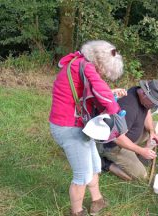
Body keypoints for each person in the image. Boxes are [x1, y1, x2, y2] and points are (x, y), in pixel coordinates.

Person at [49, 40, 124, 216]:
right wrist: (116, 112)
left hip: (77, 124)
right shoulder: (85, 66)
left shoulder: (77, 62)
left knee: (95, 164)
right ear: (98, 62)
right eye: (104, 71)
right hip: (69, 127)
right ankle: (77, 211)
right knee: (82, 175)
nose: (103, 74)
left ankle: (97, 200)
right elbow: (100, 90)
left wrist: (111, 93)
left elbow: (89, 90)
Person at [99, 80, 158, 181]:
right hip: (115, 146)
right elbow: (117, 138)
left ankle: (141, 156)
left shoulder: (140, 93)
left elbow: (147, 111)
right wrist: (140, 150)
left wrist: (151, 132)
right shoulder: (128, 107)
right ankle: (105, 164)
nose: (154, 106)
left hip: (133, 135)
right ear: (144, 94)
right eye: (153, 103)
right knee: (141, 176)